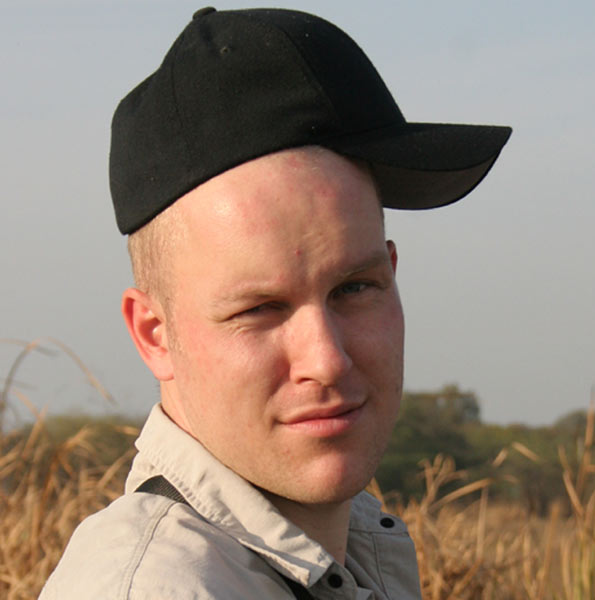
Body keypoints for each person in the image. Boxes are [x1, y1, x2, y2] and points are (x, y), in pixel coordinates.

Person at [40, 7, 510, 599]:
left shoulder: (345, 556)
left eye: (354, 288)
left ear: (392, 274)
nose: (327, 360)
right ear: (154, 334)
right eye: (259, 309)